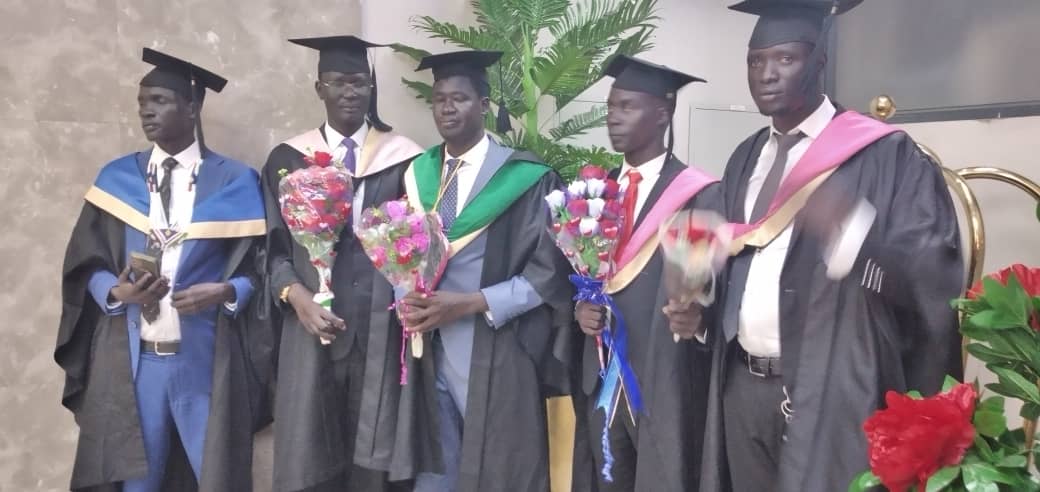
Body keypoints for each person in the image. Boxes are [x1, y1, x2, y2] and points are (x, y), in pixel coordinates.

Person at [685, 1, 964, 490]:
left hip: (835, 393)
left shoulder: (885, 154)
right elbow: (736, 268)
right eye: (756, 60)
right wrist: (700, 311)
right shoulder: (744, 158)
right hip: (742, 389)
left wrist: (851, 232)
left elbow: (934, 278)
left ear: (819, 62)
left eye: (785, 58)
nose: (766, 74)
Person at [56, 48, 269, 491]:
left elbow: (261, 267)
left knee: (217, 478)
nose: (146, 111)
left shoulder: (235, 181)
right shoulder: (117, 180)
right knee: (137, 481)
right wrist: (116, 293)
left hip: (204, 359)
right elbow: (85, 261)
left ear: (192, 107)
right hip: (136, 363)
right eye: (142, 103)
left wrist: (226, 291)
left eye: (159, 100)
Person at [394, 49, 574, 492]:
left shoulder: (526, 178)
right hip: (425, 352)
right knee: (435, 473)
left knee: (498, 471)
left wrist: (474, 302)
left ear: (485, 105)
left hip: (495, 348)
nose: (448, 108)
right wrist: (404, 296)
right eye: (439, 99)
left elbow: (550, 270)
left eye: (459, 98)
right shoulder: (418, 174)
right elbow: (400, 252)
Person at [260, 35, 423, 492]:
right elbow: (270, 250)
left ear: (371, 88)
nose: (349, 92)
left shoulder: (405, 159)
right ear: (319, 89)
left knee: (375, 456)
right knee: (310, 452)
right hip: (310, 327)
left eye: (359, 82)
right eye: (338, 82)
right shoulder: (287, 160)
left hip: (381, 331)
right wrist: (297, 297)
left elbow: (417, 242)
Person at [570, 55, 720, 492]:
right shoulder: (593, 196)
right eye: (610, 107)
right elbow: (579, 277)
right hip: (602, 377)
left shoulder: (697, 194)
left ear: (662, 114)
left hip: (664, 381)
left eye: (627, 106)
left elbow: (710, 290)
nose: (613, 118)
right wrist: (580, 309)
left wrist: (699, 317)